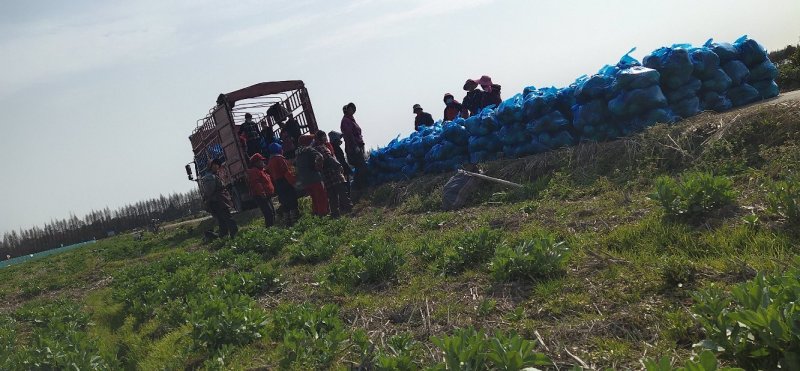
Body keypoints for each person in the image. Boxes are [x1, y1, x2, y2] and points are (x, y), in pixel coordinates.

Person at [315, 131, 352, 217]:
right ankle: (348, 208)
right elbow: (329, 158)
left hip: (325, 176)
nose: (326, 138)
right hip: (333, 173)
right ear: (321, 138)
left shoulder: (315, 149)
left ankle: (335, 214)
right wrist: (339, 165)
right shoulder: (322, 148)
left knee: (332, 197)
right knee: (342, 191)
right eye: (324, 136)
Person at [202, 158, 238, 238]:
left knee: (223, 221)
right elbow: (209, 191)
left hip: (219, 201)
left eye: (217, 165)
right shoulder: (209, 177)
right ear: (210, 166)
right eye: (214, 165)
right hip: (217, 201)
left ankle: (222, 236)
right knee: (227, 218)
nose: (217, 166)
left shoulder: (214, 176)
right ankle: (234, 235)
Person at [295, 134, 329, 216]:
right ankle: (323, 214)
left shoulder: (298, 153)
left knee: (314, 198)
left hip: (305, 181)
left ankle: (316, 214)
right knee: (321, 196)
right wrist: (318, 167)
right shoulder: (309, 150)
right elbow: (320, 156)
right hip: (314, 177)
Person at [267, 143, 300, 225]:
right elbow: (286, 172)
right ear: (278, 149)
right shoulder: (280, 159)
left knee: (284, 202)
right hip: (285, 181)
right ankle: (294, 219)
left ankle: (287, 220)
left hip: (277, 184)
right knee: (292, 200)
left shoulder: (270, 161)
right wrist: (294, 182)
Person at [340, 102, 369, 189]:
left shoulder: (351, 120)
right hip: (353, 148)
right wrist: (355, 146)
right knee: (361, 167)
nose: (353, 111)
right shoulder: (346, 121)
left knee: (361, 167)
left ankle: (359, 187)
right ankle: (359, 187)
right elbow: (349, 135)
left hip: (357, 146)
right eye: (351, 109)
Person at [247, 153, 276, 228]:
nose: (263, 162)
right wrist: (262, 193)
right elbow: (256, 184)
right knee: (268, 213)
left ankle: (273, 228)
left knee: (272, 212)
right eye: (261, 161)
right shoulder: (254, 171)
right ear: (256, 163)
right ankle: (270, 229)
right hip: (260, 196)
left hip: (266, 195)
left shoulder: (262, 170)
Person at [328, 130, 352, 196]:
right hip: (341, 168)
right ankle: (348, 198)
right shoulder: (335, 148)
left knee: (345, 184)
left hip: (340, 167)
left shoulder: (332, 147)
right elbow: (341, 159)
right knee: (345, 184)